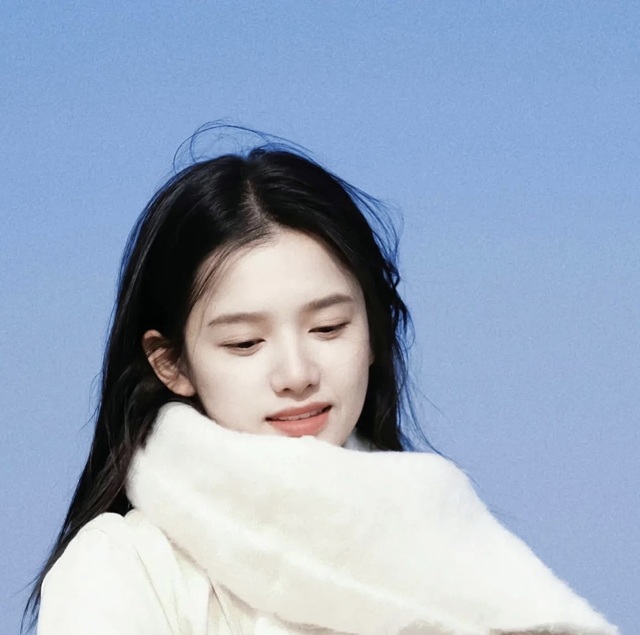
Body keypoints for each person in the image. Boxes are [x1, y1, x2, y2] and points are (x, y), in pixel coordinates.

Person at [25, 132, 617, 635]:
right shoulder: (122, 567)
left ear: (375, 333)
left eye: (329, 328)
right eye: (245, 343)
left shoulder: (463, 552)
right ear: (171, 363)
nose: (297, 375)